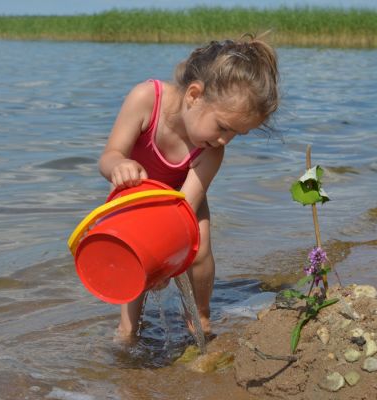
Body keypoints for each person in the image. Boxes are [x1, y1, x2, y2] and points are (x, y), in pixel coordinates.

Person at [98, 35, 280, 340]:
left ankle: (201, 316)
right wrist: (118, 165)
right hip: (136, 199)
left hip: (180, 203)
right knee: (135, 257)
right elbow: (107, 157)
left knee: (200, 246)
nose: (225, 140)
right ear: (194, 95)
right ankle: (128, 329)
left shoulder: (212, 150)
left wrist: (165, 258)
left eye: (236, 134)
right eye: (223, 127)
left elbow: (184, 205)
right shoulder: (146, 99)